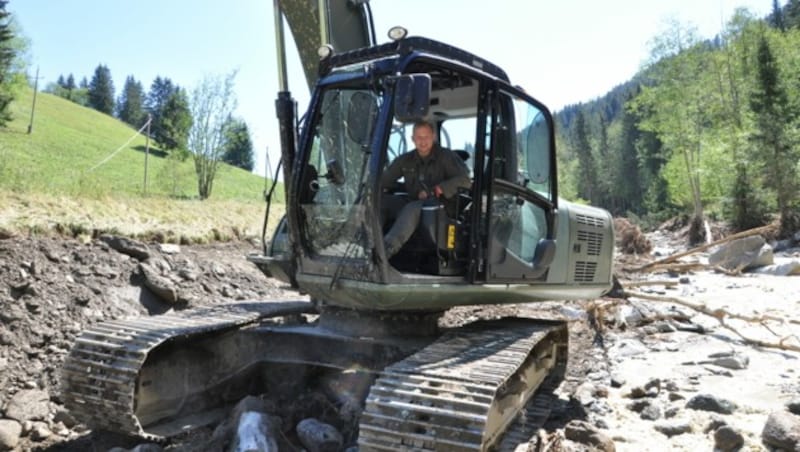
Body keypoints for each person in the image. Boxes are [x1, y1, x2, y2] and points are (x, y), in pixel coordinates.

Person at [380, 121, 471, 258]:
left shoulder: (446, 157)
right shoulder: (406, 160)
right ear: (412, 139)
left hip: (441, 206)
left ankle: (385, 252)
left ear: (433, 137)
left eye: (426, 137)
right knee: (380, 201)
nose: (423, 142)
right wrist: (372, 187)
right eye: (419, 138)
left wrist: (437, 189)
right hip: (413, 201)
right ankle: (366, 244)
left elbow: (465, 180)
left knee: (412, 208)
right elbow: (385, 179)